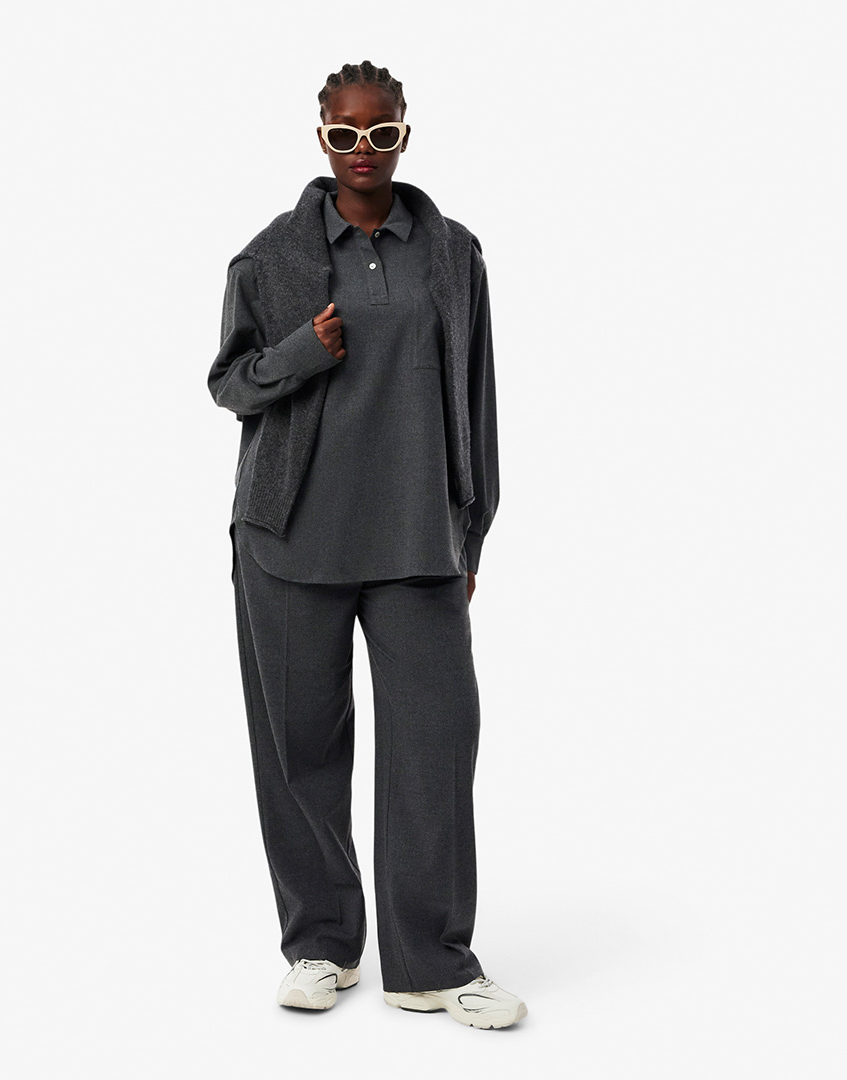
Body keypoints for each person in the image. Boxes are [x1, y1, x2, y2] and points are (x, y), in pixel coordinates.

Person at [207, 60, 526, 1030]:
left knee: (437, 746)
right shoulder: (269, 257)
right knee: (301, 751)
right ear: (322, 138)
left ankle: (432, 960)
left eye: (380, 133)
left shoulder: (453, 254)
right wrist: (301, 352)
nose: (362, 150)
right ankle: (321, 944)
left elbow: (478, 395)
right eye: (344, 134)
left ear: (403, 136)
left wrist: (473, 530)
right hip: (291, 538)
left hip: (418, 538)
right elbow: (229, 384)